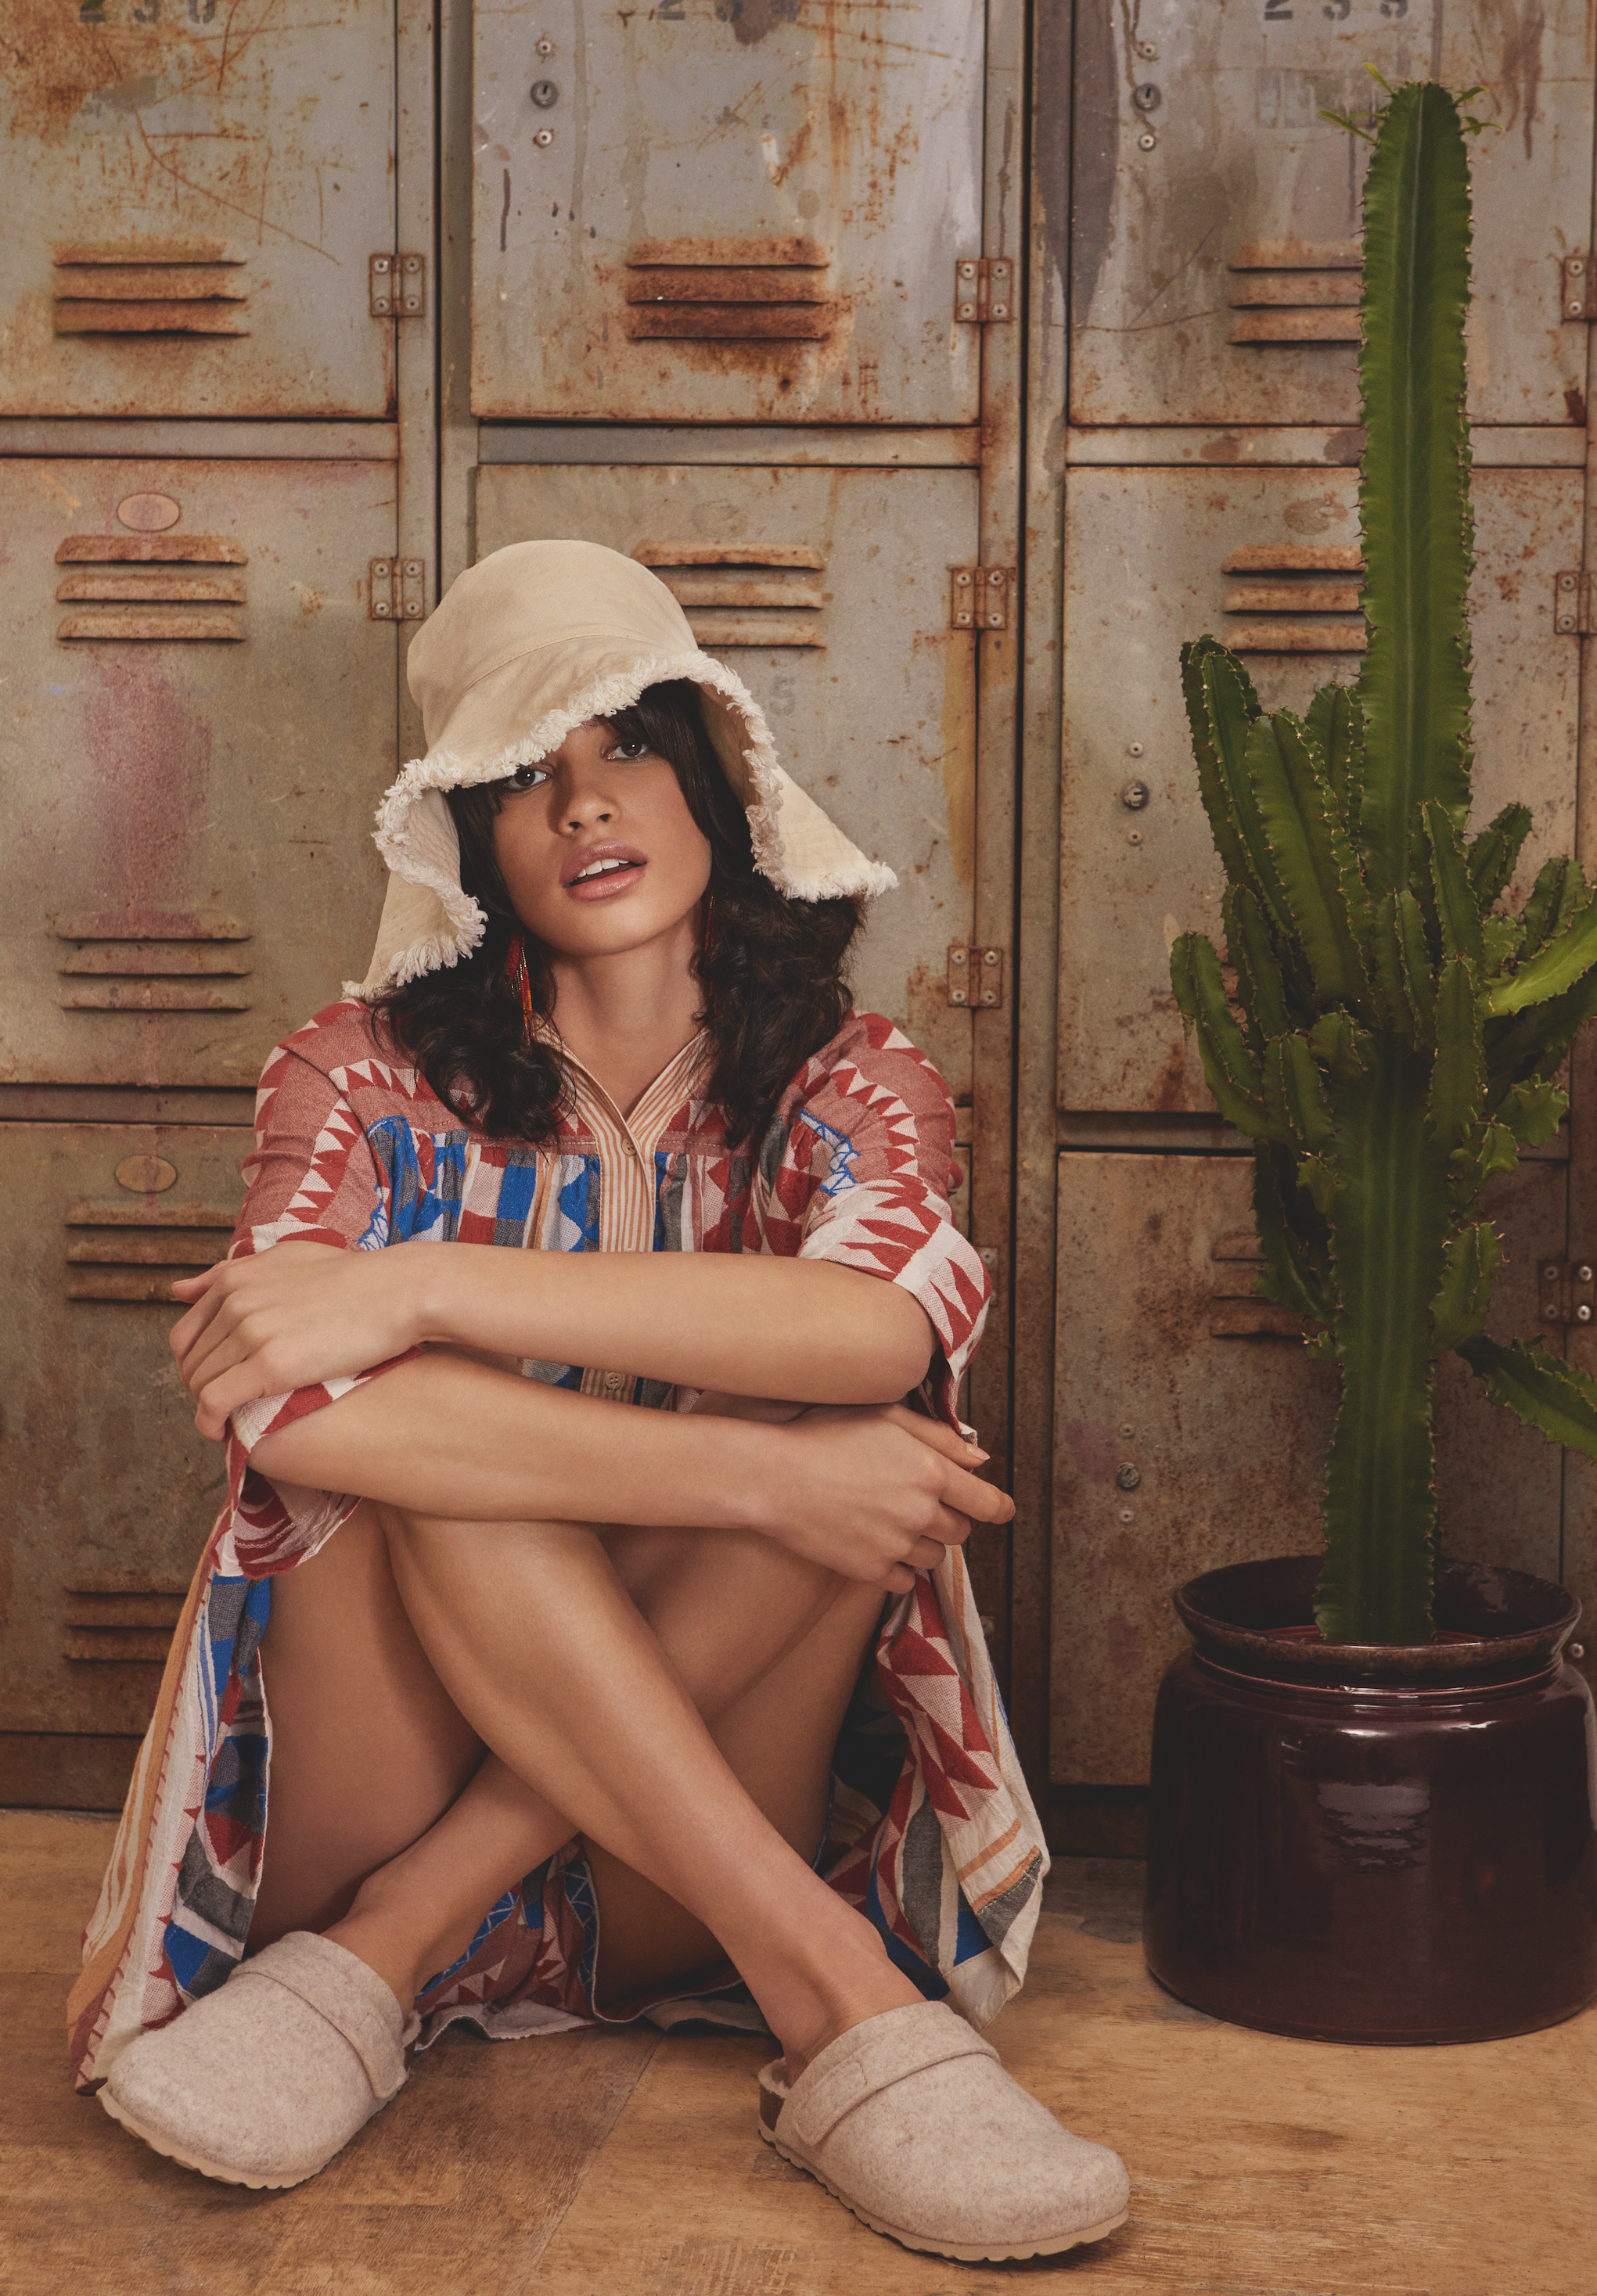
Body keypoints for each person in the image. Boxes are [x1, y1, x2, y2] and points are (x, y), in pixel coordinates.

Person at [68, 540, 1129, 2262]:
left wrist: (418, 1283)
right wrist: (768, 1482)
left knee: (847, 1436)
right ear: (470, 839)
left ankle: (394, 1950)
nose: (584, 807)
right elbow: (277, 1403)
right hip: (372, 1789)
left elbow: (874, 1332)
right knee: (481, 1457)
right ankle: (845, 2006)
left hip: (668, 1885)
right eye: (525, 780)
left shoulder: (856, 1081)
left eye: (626, 745)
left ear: (716, 784)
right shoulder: (356, 1072)